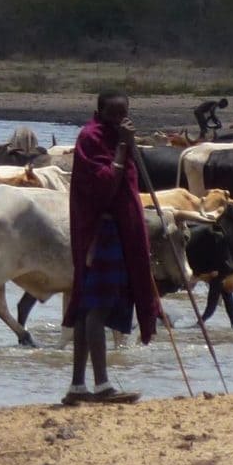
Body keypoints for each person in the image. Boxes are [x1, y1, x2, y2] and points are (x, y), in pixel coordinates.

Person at [64, 91, 161, 405]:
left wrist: (127, 146)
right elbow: (104, 186)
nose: (120, 120)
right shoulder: (90, 138)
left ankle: (78, 387)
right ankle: (102, 384)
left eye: (124, 114)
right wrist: (122, 147)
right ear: (99, 112)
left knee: (87, 306)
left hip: (119, 230)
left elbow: (127, 184)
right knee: (96, 306)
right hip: (99, 230)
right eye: (113, 115)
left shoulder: (119, 138)